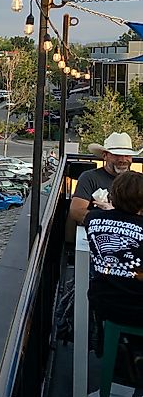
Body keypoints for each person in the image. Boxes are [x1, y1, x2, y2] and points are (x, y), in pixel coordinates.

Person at [85, 171, 143, 325]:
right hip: (137, 309)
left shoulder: (93, 218)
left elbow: (119, 220)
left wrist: (111, 210)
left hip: (103, 303)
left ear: (113, 195)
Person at [70, 132, 141, 224]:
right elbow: (76, 211)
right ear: (105, 156)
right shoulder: (89, 177)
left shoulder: (138, 181)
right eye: (116, 155)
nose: (122, 160)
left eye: (127, 155)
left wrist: (109, 216)